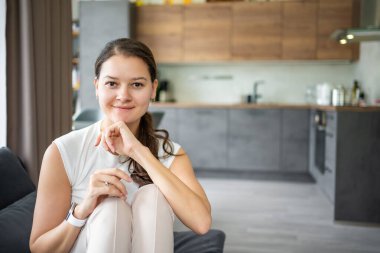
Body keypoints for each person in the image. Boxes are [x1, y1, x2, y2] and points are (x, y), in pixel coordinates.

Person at [29, 38, 212, 253]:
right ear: (97, 86)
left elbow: (201, 223)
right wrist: (82, 210)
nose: (123, 96)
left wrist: (139, 152)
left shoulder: (171, 154)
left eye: (137, 84)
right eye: (112, 83)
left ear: (153, 88)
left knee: (152, 195)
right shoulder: (63, 151)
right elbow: (39, 248)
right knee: (110, 206)